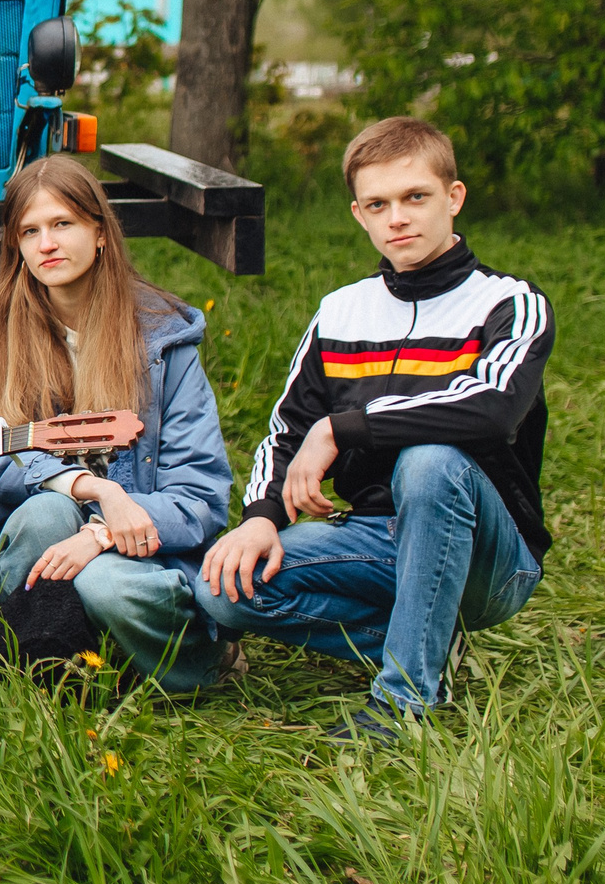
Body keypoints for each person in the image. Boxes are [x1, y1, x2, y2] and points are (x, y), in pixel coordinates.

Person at [193, 117, 551, 743]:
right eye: (379, 205)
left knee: (430, 461)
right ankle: (424, 638)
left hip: (489, 557)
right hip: (376, 538)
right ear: (359, 215)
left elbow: (492, 407)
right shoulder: (343, 310)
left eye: (416, 197)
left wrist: (345, 427)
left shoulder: (507, 302)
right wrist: (261, 516)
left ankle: (405, 702)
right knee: (224, 588)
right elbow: (287, 428)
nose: (398, 219)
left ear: (454, 197)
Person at [0, 157, 234, 689]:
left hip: (139, 553)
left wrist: (104, 532)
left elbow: (201, 496)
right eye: (29, 232)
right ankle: (26, 663)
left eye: (63, 224)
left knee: (106, 585)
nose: (46, 245)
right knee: (45, 514)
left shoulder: (162, 341)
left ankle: (194, 666)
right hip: (34, 542)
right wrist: (92, 489)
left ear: (100, 233)